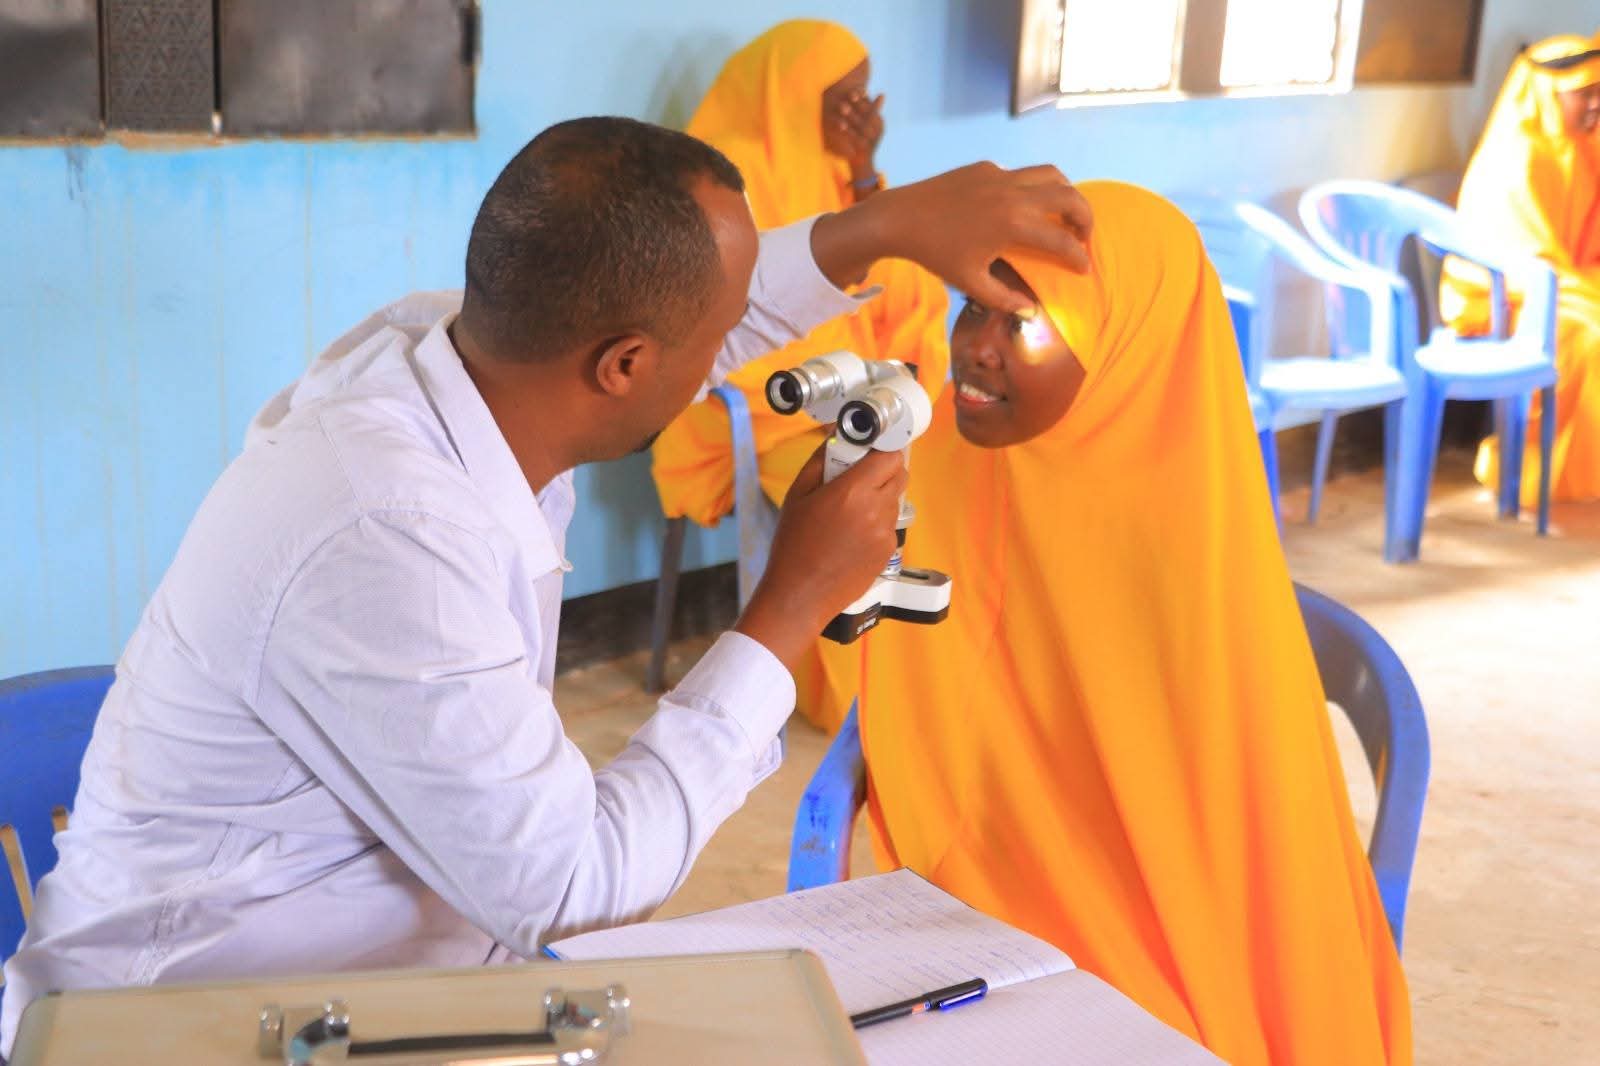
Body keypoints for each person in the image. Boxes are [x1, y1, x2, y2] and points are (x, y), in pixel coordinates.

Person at [0, 116, 1093, 1056]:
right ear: (624, 366)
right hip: (184, 1027)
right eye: (713, 342)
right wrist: (787, 608)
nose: (729, 356)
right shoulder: (390, 533)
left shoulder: (459, 349)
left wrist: (887, 225)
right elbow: (571, 888)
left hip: (376, 982)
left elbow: (689, 313)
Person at [858, 182, 1412, 1065]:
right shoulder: (951, 469)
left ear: (1127, 346)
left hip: (1166, 948)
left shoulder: (1182, 546)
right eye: (974, 305)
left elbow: (1217, 867)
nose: (975, 348)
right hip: (984, 880)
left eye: (1025, 324)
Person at [651, 20, 951, 733]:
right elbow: (715, 324)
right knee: (866, 508)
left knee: (952, 489)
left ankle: (932, 700)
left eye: (865, 95)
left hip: (857, 395)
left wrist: (864, 168)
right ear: (787, 91)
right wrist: (832, 394)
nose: (859, 111)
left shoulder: (836, 166)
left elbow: (893, 272)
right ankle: (852, 704)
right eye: (842, 97)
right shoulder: (723, 177)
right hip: (765, 407)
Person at [1445, 34, 1600, 502]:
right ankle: (1539, 469)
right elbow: (1529, 264)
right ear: (1546, 95)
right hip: (1498, 297)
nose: (1595, 103)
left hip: (1561, 283)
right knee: (1589, 336)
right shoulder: (1516, 158)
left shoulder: (1580, 147)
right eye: (1583, 93)